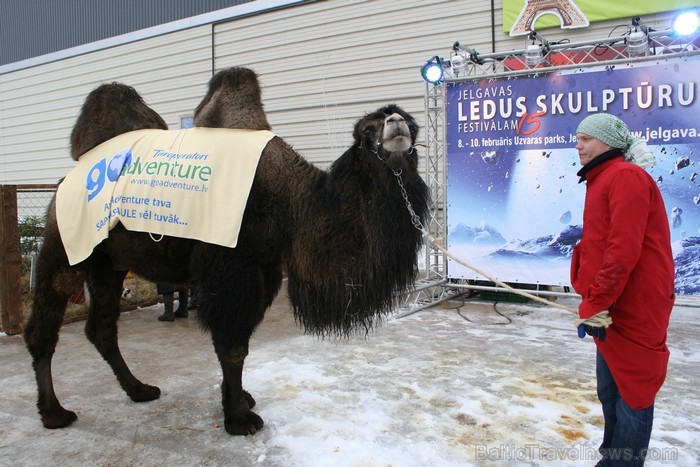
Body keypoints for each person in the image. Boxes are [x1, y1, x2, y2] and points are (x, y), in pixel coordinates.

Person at [570, 113, 675, 466]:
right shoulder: (602, 179)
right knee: (610, 391)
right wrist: (590, 295)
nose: (578, 146)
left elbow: (622, 252)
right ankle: (611, 459)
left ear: (608, 143)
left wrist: (595, 302)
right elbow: (599, 244)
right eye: (577, 139)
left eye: (585, 139)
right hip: (608, 308)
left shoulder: (626, 177)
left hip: (634, 308)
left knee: (635, 394)